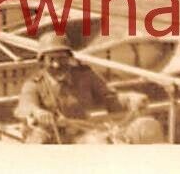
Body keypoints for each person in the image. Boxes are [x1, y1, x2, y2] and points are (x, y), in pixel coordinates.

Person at [14, 33, 161, 144]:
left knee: (101, 145)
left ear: (69, 58)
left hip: (80, 135)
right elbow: (25, 105)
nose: (57, 65)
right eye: (51, 59)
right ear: (42, 62)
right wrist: (37, 111)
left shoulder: (85, 76)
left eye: (62, 58)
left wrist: (130, 99)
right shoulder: (34, 83)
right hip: (48, 136)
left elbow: (110, 98)